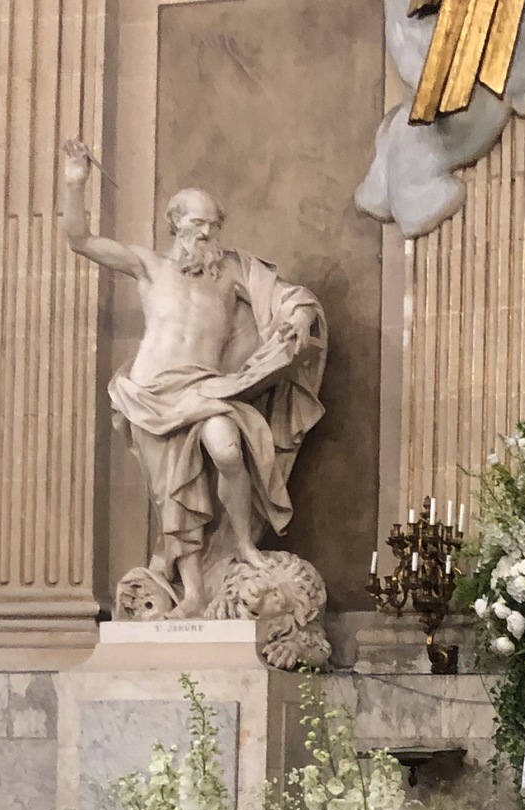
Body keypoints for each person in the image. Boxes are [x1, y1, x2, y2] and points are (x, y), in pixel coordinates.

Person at [59, 140, 328, 619]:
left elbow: (286, 295)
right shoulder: (149, 266)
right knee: (172, 493)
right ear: (175, 223)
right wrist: (74, 183)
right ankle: (194, 593)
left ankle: (243, 545)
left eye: (213, 224)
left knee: (226, 447)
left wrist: (301, 316)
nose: (205, 232)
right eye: (196, 222)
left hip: (206, 388)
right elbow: (80, 240)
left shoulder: (231, 272)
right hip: (148, 392)